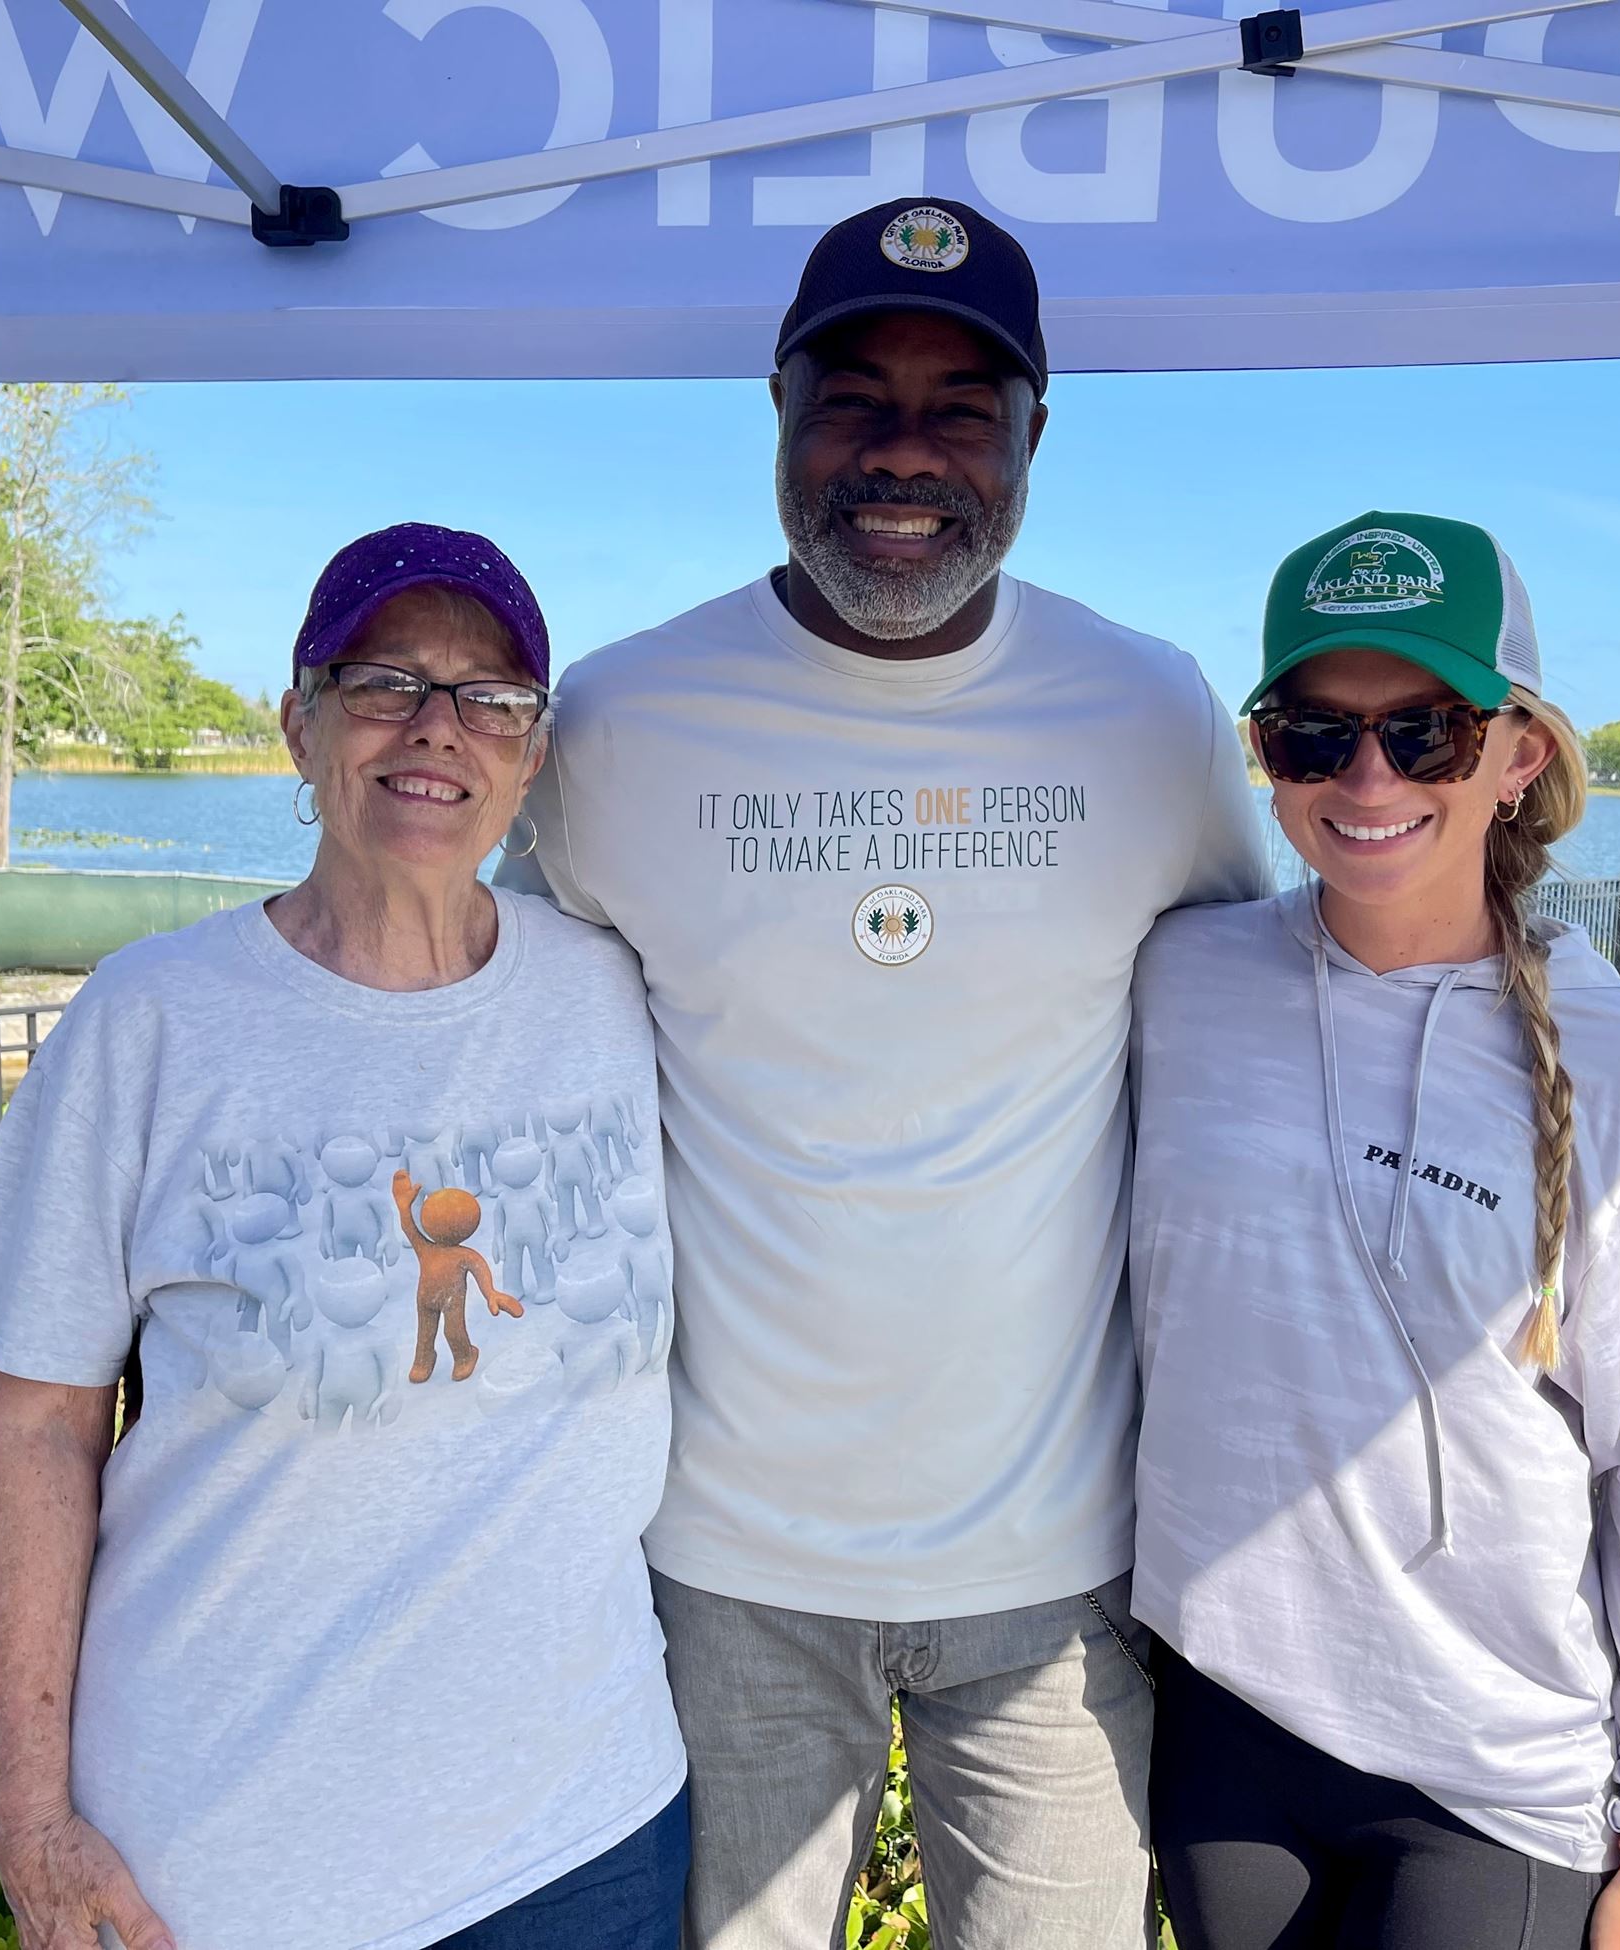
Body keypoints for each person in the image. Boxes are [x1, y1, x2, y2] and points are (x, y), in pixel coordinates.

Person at [499, 199, 1271, 1948]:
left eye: (962, 408)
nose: (905, 454)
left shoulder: (1149, 715)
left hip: (1060, 1576)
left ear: (1037, 435)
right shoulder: (621, 721)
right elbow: (492, 1016)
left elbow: (1258, 1009)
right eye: (853, 398)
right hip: (725, 1568)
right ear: (775, 409)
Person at [0, 525, 688, 1950]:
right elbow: (34, 1423)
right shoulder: (154, 1019)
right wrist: (30, 1818)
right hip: (228, 1861)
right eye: (385, 682)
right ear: (300, 721)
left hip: (591, 1832)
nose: (437, 728)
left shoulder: (615, 994)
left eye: (490, 698)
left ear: (532, 755)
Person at [1127, 513, 1620, 1949]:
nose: (1366, 779)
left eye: (1427, 733)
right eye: (1313, 733)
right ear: (1264, 754)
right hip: (1222, 1720)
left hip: (1493, 1778)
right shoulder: (1176, 981)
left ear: (1518, 752)